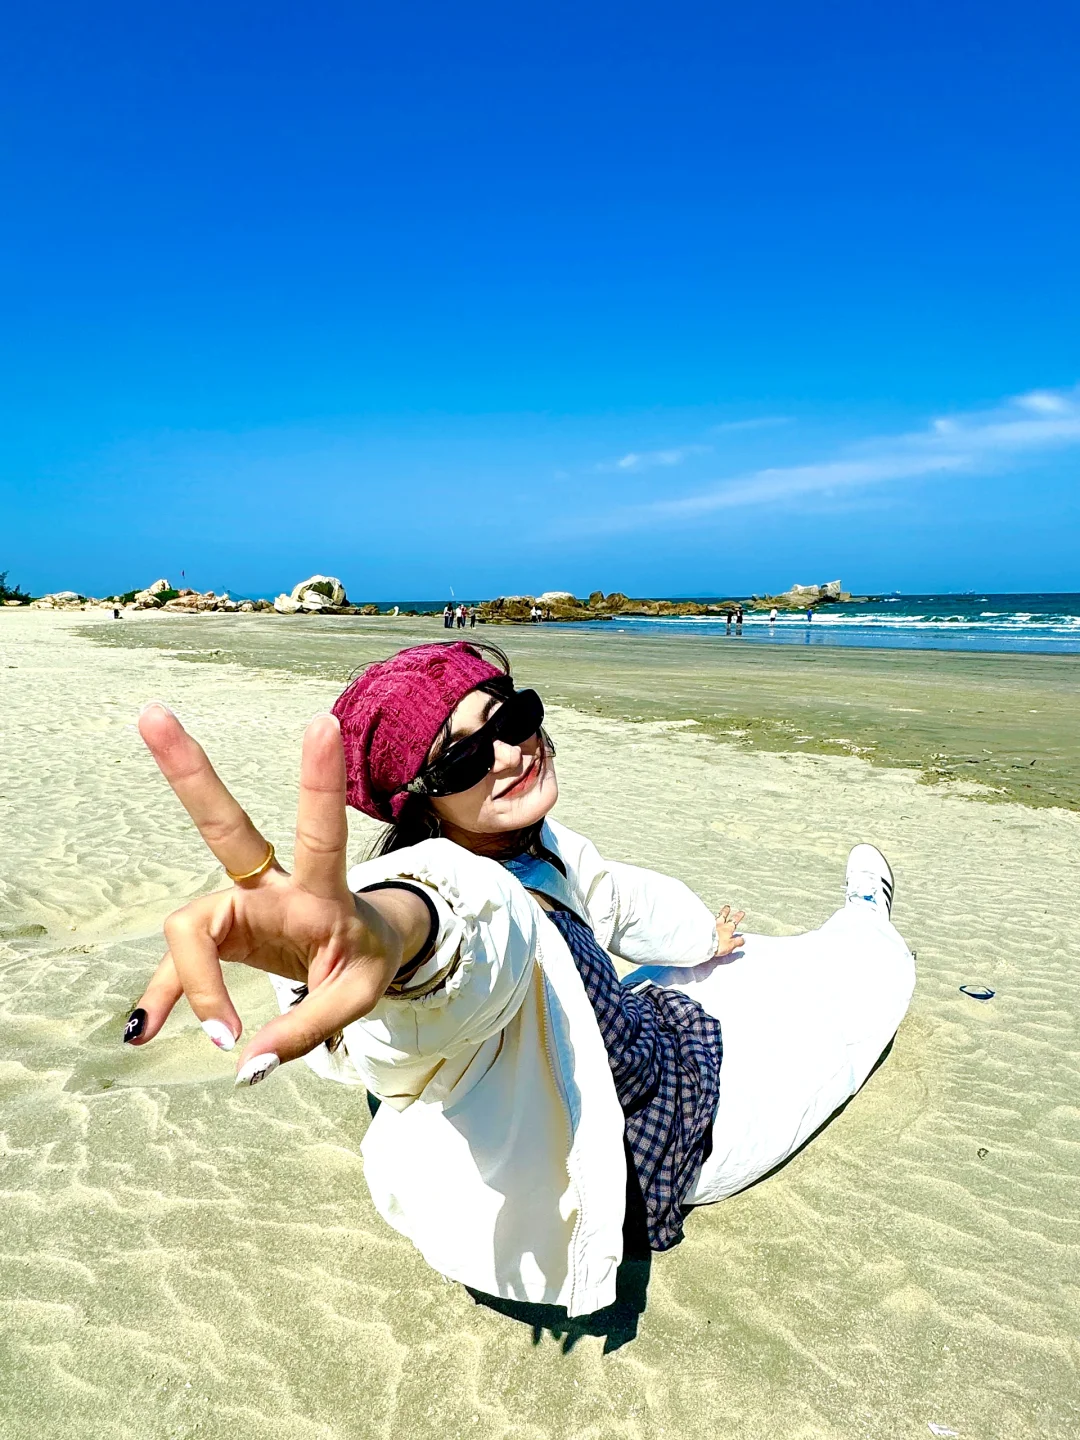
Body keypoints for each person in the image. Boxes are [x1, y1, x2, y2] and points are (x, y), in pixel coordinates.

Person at [129, 642, 914, 1318]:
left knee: (745, 960)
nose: (509, 754)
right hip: (657, 1133)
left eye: (511, 717)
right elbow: (451, 936)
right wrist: (387, 942)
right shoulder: (459, 898)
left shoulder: (541, 844)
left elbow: (618, 899)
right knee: (847, 993)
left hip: (634, 1040)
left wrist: (703, 937)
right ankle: (866, 914)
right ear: (420, 803)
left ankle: (825, 930)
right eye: (463, 757)